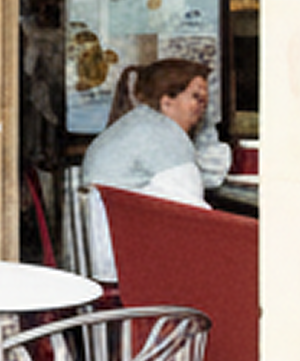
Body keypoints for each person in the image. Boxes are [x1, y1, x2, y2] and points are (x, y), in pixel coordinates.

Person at [77, 57, 229, 279]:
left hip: (107, 256)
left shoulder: (137, 124)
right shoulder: (164, 136)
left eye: (205, 99)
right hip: (134, 265)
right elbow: (195, 217)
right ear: (166, 102)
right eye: (196, 97)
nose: (202, 106)